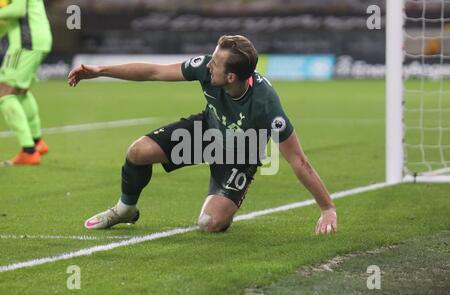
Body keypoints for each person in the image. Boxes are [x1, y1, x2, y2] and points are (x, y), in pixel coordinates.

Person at [68, 35, 337, 235]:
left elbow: (298, 161)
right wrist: (100, 71)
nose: (209, 64)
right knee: (138, 152)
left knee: (210, 224)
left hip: (241, 152)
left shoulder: (266, 105)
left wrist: (327, 208)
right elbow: (154, 71)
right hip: (207, 131)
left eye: (216, 63)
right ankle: (125, 209)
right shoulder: (206, 67)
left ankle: (227, 200)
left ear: (231, 77)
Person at [0, 0, 52, 166]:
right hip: (36, 39)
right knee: (20, 92)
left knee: (3, 92)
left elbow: (18, 9)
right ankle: (37, 142)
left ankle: (28, 151)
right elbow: (8, 22)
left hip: (26, 42)